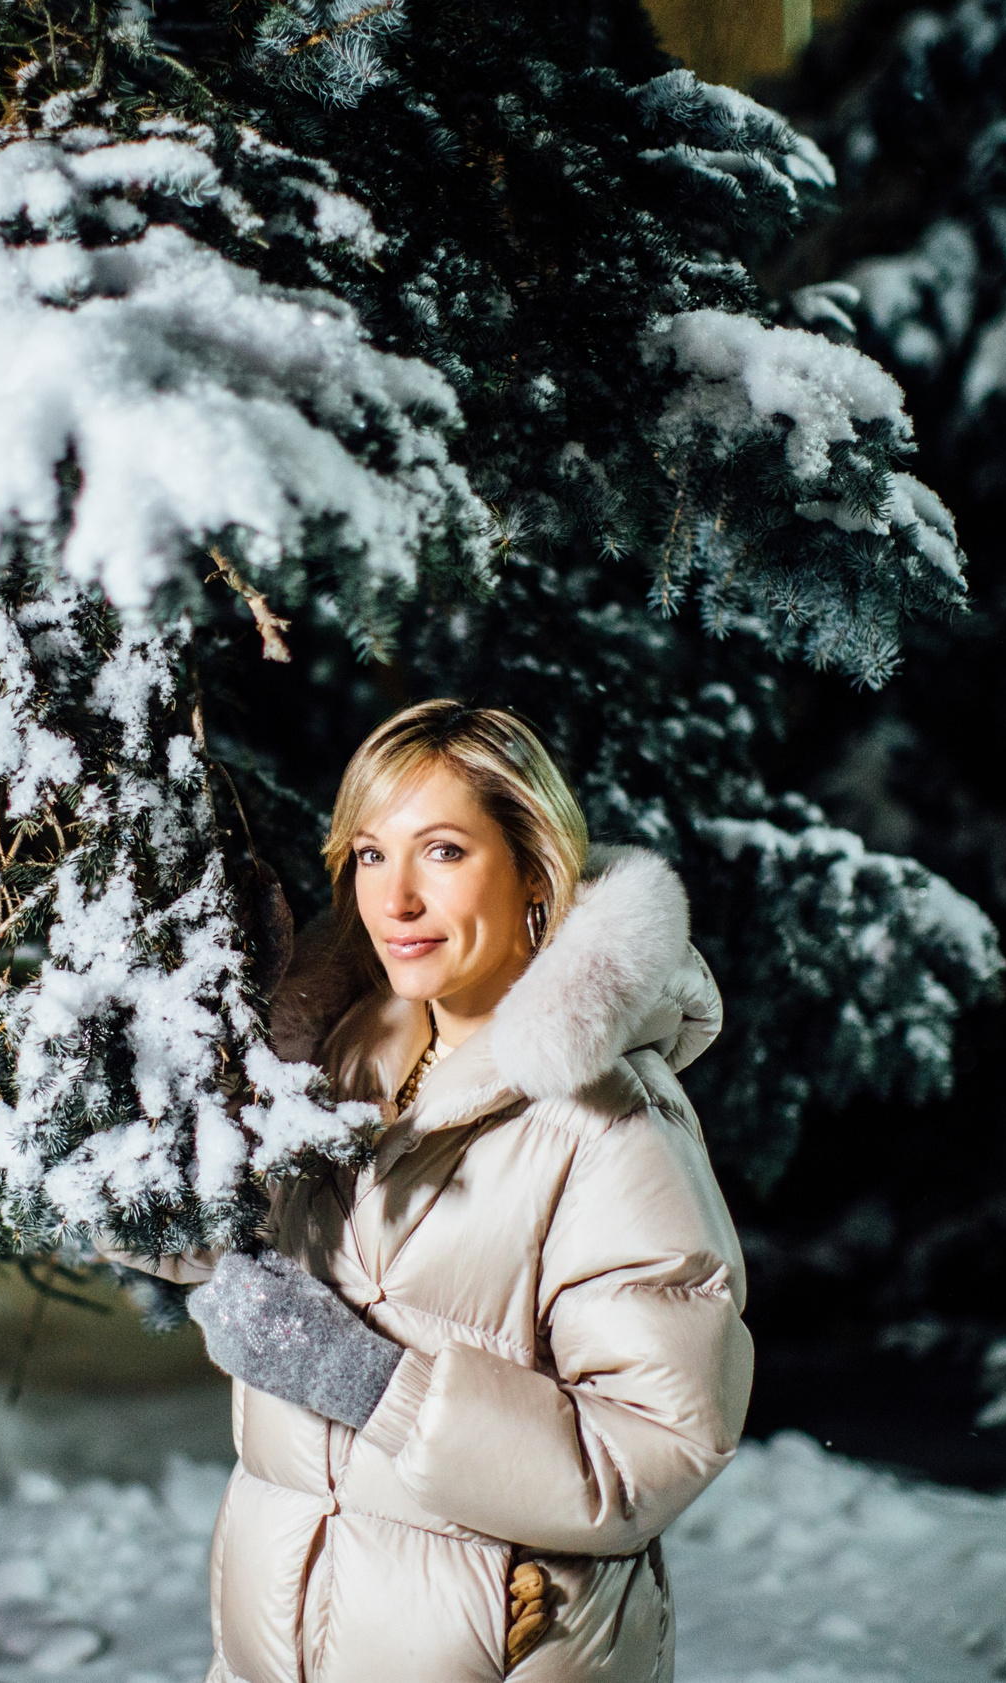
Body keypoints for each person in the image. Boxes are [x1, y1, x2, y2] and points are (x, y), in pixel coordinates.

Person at [128, 699, 751, 1682]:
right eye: (372, 855)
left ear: (535, 872)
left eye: (444, 851)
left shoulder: (610, 1125)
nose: (396, 900)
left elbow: (649, 1453)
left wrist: (373, 1385)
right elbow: (260, 1248)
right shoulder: (346, 1059)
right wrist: (133, 1186)